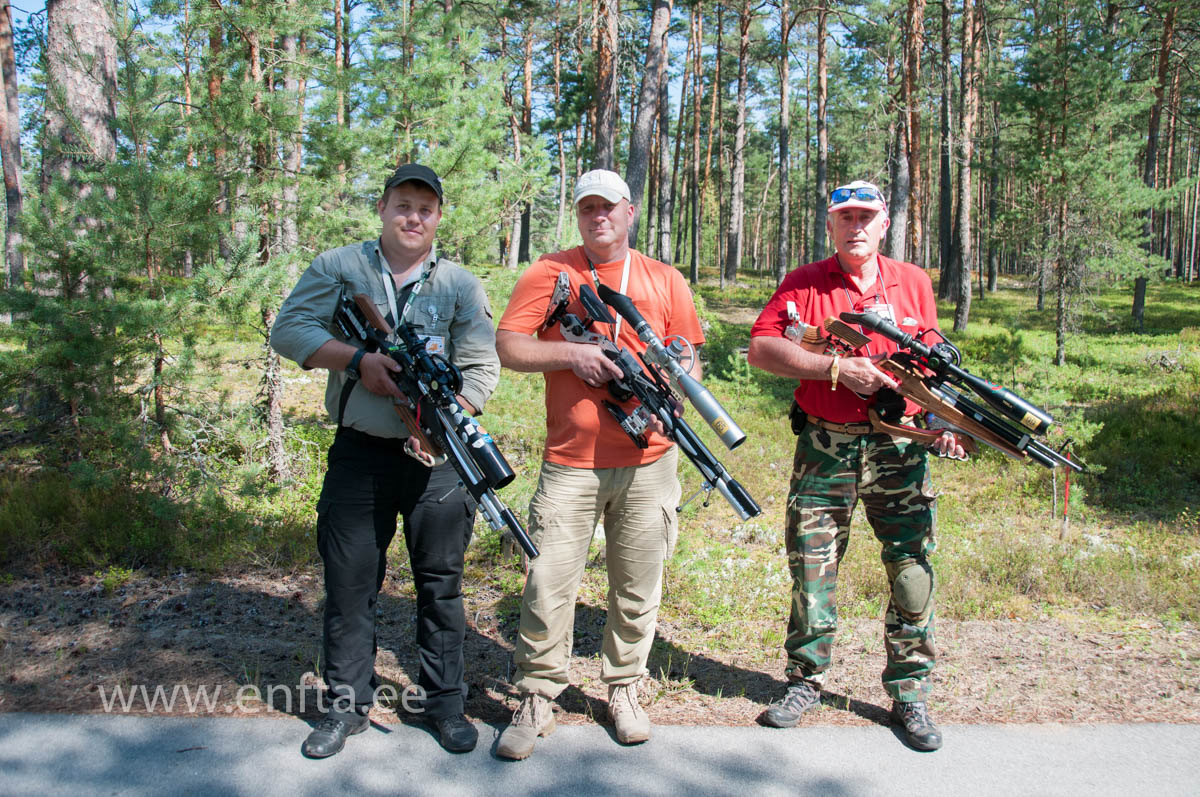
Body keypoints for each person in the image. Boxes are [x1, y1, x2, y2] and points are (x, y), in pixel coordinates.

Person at [270, 164, 499, 757]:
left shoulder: (459, 283)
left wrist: (442, 423)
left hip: (439, 461)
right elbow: (289, 330)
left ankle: (443, 704)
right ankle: (345, 706)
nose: (413, 217)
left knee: (441, 584)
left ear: (438, 216)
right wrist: (356, 361)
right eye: (403, 204)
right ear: (383, 207)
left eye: (425, 208)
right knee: (349, 584)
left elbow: (482, 367)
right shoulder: (340, 268)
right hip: (360, 457)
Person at [492, 169, 705, 759]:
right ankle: (537, 693)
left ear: (629, 211)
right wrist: (573, 354)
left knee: (638, 585)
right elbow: (509, 345)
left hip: (651, 462)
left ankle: (624, 688)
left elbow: (690, 361)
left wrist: (674, 396)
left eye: (608, 207)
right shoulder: (549, 272)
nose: (598, 217)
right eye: (587, 208)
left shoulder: (665, 280)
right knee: (548, 583)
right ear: (578, 215)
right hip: (570, 462)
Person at [746, 180, 964, 752]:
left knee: (912, 569)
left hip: (901, 450)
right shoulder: (804, 284)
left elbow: (935, 365)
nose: (856, 226)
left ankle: (910, 694)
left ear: (884, 223)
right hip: (826, 447)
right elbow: (763, 350)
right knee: (812, 569)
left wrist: (944, 423)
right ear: (831, 225)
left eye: (867, 216)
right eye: (846, 216)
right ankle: (805, 680)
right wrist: (836, 372)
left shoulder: (911, 281)